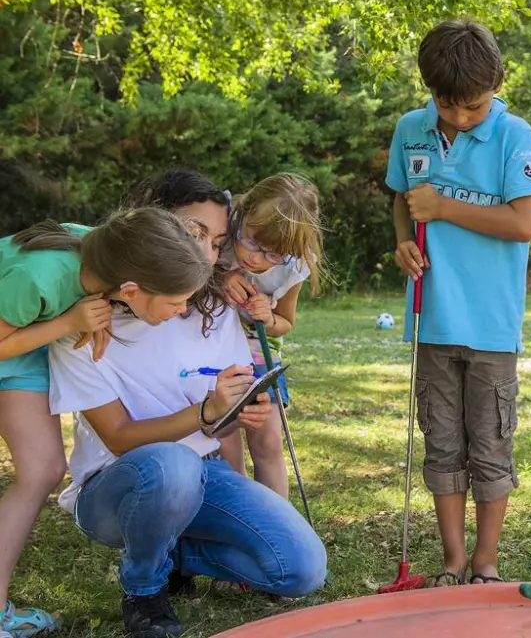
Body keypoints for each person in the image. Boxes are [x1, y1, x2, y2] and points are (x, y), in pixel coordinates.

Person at [47, 179, 328, 638]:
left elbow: (220, 412)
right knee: (172, 462)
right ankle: (144, 589)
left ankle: (171, 550)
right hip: (113, 488)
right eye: (194, 234)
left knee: (302, 570)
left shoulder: (214, 307)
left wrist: (237, 410)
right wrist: (204, 413)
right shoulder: (85, 321)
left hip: (202, 473)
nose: (208, 257)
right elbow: (118, 435)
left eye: (217, 243)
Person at [387, 19, 531, 586]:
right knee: (442, 443)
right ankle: (453, 561)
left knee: (489, 446)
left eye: (473, 107)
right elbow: (405, 203)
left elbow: (522, 224)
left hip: (491, 326)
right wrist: (404, 240)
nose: (459, 117)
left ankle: (486, 561)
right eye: (447, 105)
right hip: (430, 319)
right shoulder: (410, 129)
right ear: (428, 89)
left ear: (498, 84)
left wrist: (444, 207)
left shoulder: (514, 136)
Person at [0, 206, 210, 638]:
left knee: (42, 470)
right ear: (130, 290)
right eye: (176, 302)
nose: (183, 310)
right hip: (9, 340)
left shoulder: (115, 252)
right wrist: (69, 320)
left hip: (22, 347)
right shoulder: (37, 277)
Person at [217, 172, 326, 499]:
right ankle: (236, 513)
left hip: (259, 360)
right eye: (251, 242)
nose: (255, 258)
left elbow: (285, 323)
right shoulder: (218, 232)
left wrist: (267, 315)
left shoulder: (294, 266)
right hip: (215, 358)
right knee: (222, 437)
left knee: (267, 443)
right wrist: (219, 277)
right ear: (244, 211)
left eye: (271, 255)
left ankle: (278, 522)